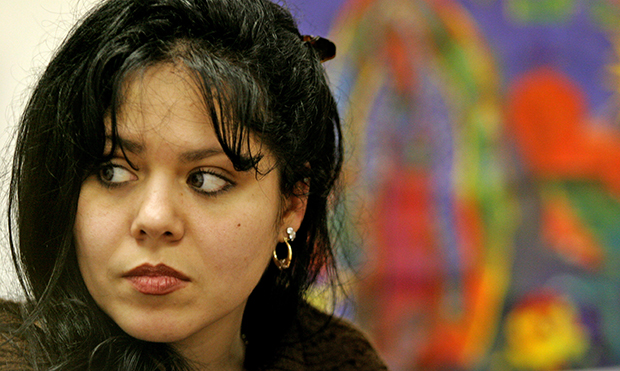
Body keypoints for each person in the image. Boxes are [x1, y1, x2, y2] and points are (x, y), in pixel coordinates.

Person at [0, 0, 389, 370]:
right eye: (112, 172)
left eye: (205, 180)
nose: (153, 219)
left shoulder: (342, 359)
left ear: (291, 204)